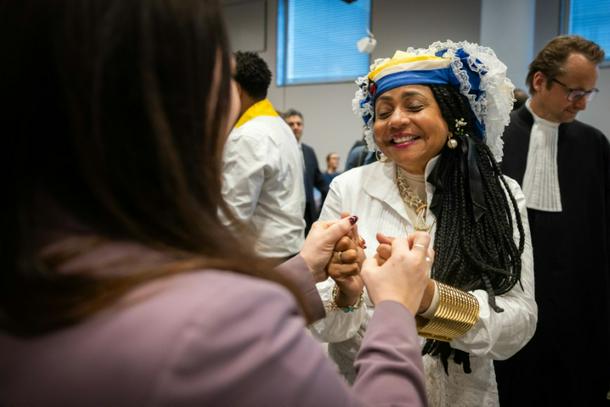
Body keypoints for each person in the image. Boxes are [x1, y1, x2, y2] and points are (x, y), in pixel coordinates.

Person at [0, 0, 436, 405]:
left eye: (415, 106)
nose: (397, 121)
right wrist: (395, 306)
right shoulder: (217, 320)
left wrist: (302, 266)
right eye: (222, 70)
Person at [311, 40, 538, 406]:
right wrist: (346, 294)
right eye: (383, 112)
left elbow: (519, 323)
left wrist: (430, 298)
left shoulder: (499, 194)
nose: (396, 120)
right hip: (360, 388)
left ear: (453, 114)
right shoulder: (348, 188)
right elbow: (324, 327)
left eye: (414, 106)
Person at [495, 35, 610, 407]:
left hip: (577, 304)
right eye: (574, 92)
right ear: (540, 81)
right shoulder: (496, 140)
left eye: (588, 93)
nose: (582, 103)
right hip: (512, 300)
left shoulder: (594, 145)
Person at [222, 52, 305, 260]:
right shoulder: (281, 126)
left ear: (236, 89)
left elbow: (231, 217)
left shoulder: (247, 135)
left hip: (264, 258)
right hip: (290, 250)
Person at [282, 109, 329, 236]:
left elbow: (319, 181)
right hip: (288, 211)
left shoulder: (309, 151)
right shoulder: (279, 150)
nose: (295, 127)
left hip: (308, 211)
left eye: (299, 124)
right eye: (291, 124)